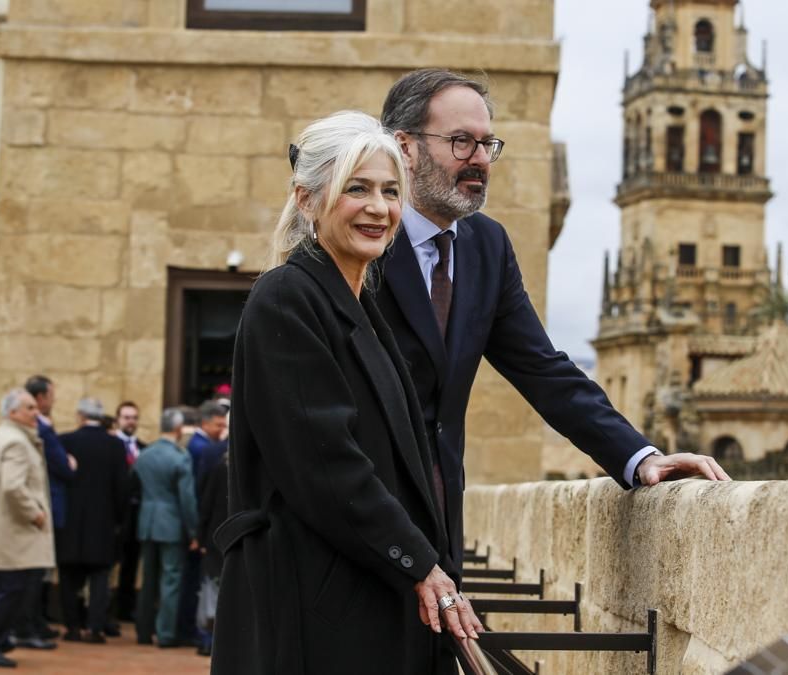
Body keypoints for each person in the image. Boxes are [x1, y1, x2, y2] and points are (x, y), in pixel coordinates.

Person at [377, 69, 733, 572]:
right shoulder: (363, 237)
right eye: (460, 142)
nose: (479, 159)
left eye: (486, 144)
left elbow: (544, 371)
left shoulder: (486, 245)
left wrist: (639, 457)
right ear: (405, 148)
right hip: (353, 534)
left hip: (438, 532)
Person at [212, 111, 481, 675]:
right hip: (316, 608)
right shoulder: (287, 297)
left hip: (360, 595)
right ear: (308, 200)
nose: (378, 208)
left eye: (389, 191)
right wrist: (421, 565)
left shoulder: (358, 302)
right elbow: (326, 465)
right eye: (355, 189)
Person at [0, 389, 56, 668]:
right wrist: (36, 515)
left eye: (36, 407)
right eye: (29, 408)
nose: (36, 412)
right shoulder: (16, 442)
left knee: (3, 589)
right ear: (13, 413)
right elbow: (13, 486)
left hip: (4, 527)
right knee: (11, 591)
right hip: (16, 530)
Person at [55, 398, 129, 643]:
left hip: (70, 521)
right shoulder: (115, 446)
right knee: (100, 577)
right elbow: (121, 487)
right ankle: (95, 628)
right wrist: (120, 519)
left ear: (79, 416)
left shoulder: (65, 441)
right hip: (103, 521)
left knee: (68, 576)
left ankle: (72, 627)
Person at [11, 374, 71, 649]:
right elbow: (60, 465)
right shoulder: (36, 433)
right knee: (32, 572)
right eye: (32, 407)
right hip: (38, 510)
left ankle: (34, 621)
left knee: (40, 571)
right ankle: (26, 626)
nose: (51, 401)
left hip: (44, 507)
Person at [132, 407, 199, 649]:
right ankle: (166, 633)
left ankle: (142, 631)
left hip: (147, 520)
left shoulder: (145, 454)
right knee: (171, 579)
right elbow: (187, 499)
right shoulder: (180, 457)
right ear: (179, 428)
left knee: (148, 578)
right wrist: (194, 531)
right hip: (171, 522)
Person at [180, 399, 227, 651]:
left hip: (208, 527)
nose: (220, 430)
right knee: (206, 585)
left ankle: (203, 634)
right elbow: (200, 494)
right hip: (209, 528)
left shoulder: (210, 449)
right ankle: (202, 634)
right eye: (217, 424)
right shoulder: (207, 449)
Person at [112, 401, 144, 623]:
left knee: (132, 562)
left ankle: (125, 608)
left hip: (138, 513)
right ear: (117, 419)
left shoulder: (144, 447)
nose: (130, 421)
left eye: (134, 417)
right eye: (126, 417)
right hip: (115, 513)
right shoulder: (111, 445)